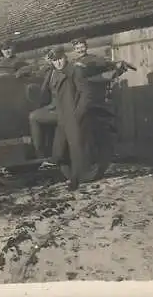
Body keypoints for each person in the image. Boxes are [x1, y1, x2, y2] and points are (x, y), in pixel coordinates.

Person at [40, 46, 116, 191]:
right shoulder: (55, 74)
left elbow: (86, 94)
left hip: (74, 115)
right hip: (62, 116)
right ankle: (66, 170)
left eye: (60, 59)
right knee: (59, 148)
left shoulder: (75, 71)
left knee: (76, 150)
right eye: (55, 61)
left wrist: (78, 114)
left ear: (65, 57)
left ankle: (75, 180)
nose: (58, 63)